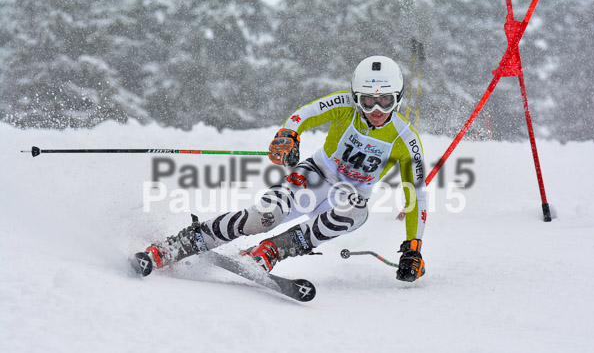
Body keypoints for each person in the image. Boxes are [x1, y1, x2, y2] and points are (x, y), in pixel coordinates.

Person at [132, 55, 428, 282]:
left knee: (356, 211)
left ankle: (271, 251)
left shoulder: (406, 141)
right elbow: (306, 114)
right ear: (356, 98)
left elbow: (417, 195)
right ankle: (177, 245)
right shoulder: (344, 107)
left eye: (385, 101)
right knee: (263, 216)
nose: (376, 110)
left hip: (348, 196)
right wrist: (289, 135)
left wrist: (414, 246)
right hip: (315, 176)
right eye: (368, 101)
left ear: (397, 98)